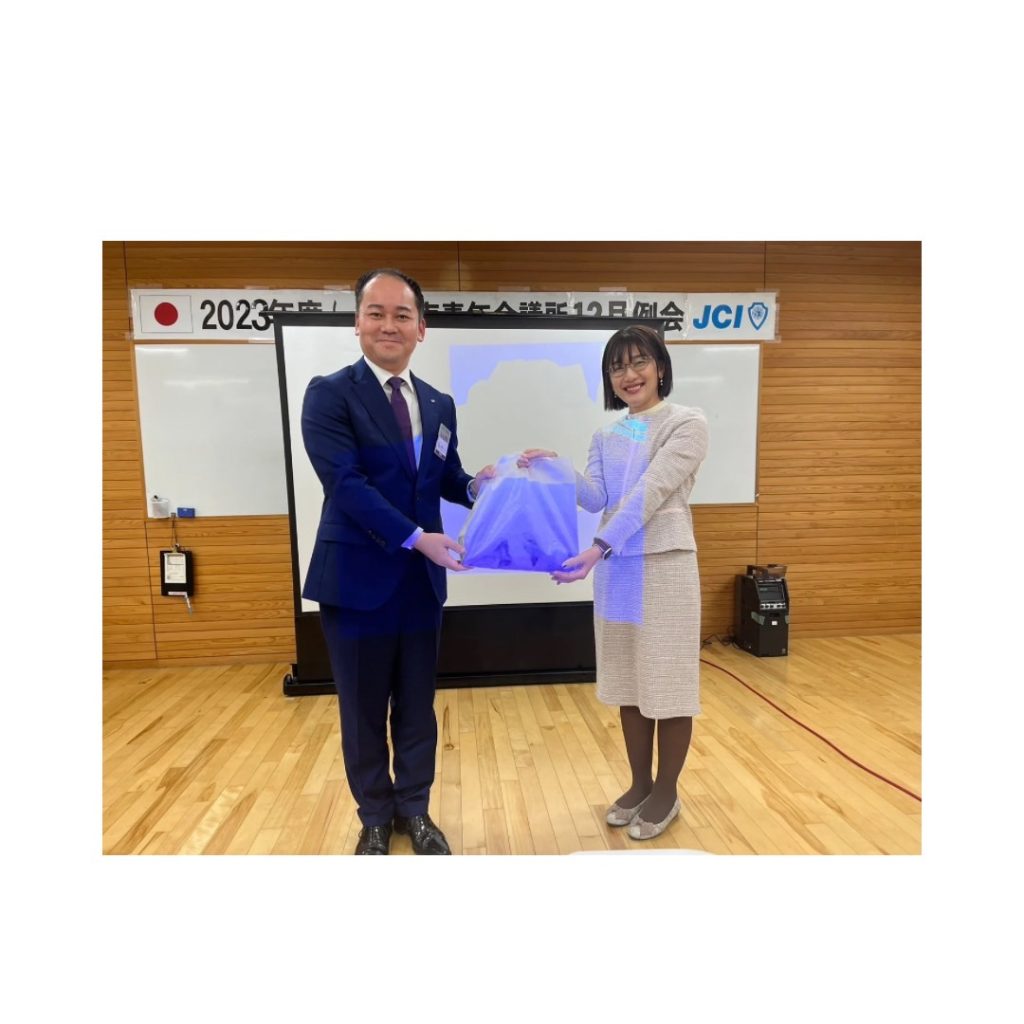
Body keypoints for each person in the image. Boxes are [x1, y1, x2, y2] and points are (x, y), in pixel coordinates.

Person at [301, 268, 494, 855]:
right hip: (356, 580)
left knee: (416, 707)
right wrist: (416, 537)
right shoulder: (329, 394)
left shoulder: (438, 403)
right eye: (376, 313)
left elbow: (445, 477)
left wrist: (484, 485)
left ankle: (415, 810)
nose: (389, 324)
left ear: (421, 328)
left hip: (419, 586)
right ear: (357, 323)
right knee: (362, 710)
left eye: (402, 314)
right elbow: (346, 485)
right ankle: (375, 819)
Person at [520, 324, 708, 841]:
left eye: (639, 362)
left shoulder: (686, 423)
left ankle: (666, 791)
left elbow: (650, 493)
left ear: (660, 367)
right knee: (629, 680)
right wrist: (558, 469)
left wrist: (598, 547)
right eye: (617, 367)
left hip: (665, 565)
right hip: (619, 570)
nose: (629, 375)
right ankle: (640, 783)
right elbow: (598, 497)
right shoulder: (607, 436)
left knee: (668, 683)